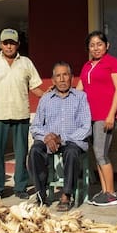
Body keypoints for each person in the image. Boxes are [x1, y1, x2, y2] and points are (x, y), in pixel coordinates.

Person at [0, 28, 44, 199]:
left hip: (21, 114)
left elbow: (35, 87)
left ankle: (20, 187)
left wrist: (50, 95)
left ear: (18, 45)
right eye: (5, 43)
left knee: (21, 152)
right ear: (0, 44)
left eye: (12, 43)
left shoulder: (26, 63)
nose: (9, 46)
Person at [28, 61, 92, 211]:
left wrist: (61, 138)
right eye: (58, 76)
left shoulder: (80, 97)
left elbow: (86, 127)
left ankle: (66, 195)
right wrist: (48, 137)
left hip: (72, 140)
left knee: (71, 152)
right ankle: (40, 194)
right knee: (35, 151)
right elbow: (36, 126)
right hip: (49, 141)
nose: (62, 79)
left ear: (72, 77)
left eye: (65, 75)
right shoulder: (45, 99)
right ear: (53, 80)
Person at [77, 30, 117, 207]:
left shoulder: (113, 63)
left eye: (99, 44)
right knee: (97, 155)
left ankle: (111, 193)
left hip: (105, 116)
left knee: (101, 153)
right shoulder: (87, 66)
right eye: (92, 45)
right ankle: (105, 191)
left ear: (107, 46)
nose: (96, 48)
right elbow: (79, 91)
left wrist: (111, 114)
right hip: (90, 116)